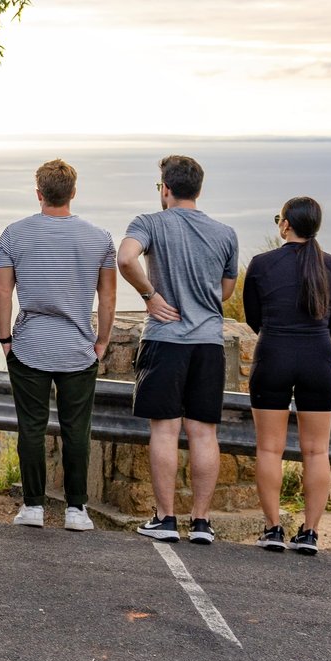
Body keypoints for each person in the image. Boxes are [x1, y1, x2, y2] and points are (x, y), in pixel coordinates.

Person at [116, 155, 239, 544]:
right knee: (204, 433)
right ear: (198, 189)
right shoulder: (225, 233)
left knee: (165, 432)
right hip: (207, 343)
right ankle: (201, 523)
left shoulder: (149, 223)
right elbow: (226, 289)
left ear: (164, 189)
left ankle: (166, 519)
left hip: (165, 340)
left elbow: (125, 257)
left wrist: (150, 295)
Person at [0, 160, 117, 532]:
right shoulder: (100, 239)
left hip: (29, 347)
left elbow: (2, 291)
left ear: (39, 194)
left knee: (31, 427)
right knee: (76, 429)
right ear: (73, 193)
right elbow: (108, 298)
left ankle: (32, 507)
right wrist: (102, 341)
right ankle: (76, 510)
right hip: (78, 349)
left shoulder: (13, 235)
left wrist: (5, 340)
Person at [244, 197, 331, 556]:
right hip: (318, 360)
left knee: (270, 448)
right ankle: (309, 533)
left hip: (273, 355)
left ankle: (273, 529)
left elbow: (252, 317)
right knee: (317, 450)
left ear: (286, 225)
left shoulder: (262, 264)